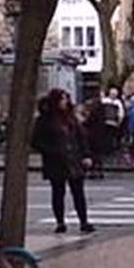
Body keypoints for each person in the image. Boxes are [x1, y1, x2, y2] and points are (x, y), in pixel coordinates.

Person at [32, 89, 95, 234]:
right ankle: (60, 222)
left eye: (66, 99)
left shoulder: (71, 117)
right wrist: (52, 151)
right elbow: (36, 141)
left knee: (78, 192)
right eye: (62, 99)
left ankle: (83, 221)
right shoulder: (45, 119)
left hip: (74, 159)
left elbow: (81, 137)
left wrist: (86, 155)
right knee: (58, 192)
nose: (65, 102)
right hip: (56, 161)